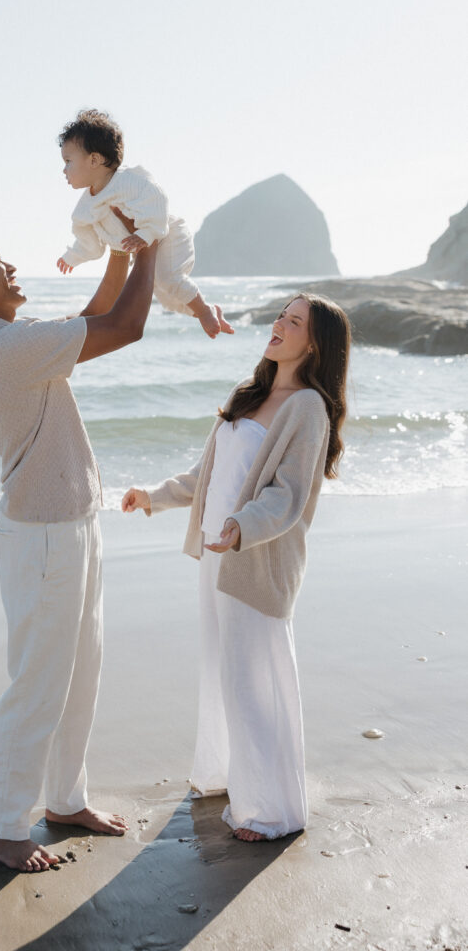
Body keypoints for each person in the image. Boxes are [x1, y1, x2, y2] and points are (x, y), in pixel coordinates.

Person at [0, 222, 157, 872]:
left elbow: (94, 317)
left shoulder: (20, 343)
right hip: (43, 537)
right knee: (37, 685)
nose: (11, 266)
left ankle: (64, 799)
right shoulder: (3, 348)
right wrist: (153, 251)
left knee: (81, 674)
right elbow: (125, 326)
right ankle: (1, 827)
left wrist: (120, 252)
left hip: (73, 524)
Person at [122, 293, 350, 841]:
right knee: (223, 672)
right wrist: (153, 496)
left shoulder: (308, 408)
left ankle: (270, 809)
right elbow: (210, 474)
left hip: (255, 559)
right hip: (215, 554)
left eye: (294, 322)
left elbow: (289, 495)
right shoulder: (248, 394)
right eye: (281, 315)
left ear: (314, 343)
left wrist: (243, 525)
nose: (279, 324)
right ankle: (227, 777)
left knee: (254, 682)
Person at [57, 108, 234, 339]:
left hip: (166, 233)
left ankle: (204, 311)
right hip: (142, 245)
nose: (64, 169)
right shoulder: (84, 209)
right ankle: (204, 311)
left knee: (168, 279)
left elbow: (156, 199)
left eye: (68, 161)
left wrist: (147, 232)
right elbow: (89, 242)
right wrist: (73, 256)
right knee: (163, 292)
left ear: (94, 159)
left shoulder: (128, 181)